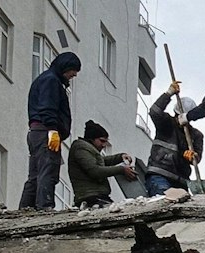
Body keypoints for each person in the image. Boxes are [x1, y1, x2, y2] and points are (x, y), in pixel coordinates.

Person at [19, 51, 82, 210]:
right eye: (72, 71)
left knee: (35, 174)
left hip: (37, 132)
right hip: (46, 132)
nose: (72, 75)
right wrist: (53, 130)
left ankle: (26, 209)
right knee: (48, 171)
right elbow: (48, 108)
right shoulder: (51, 81)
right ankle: (44, 207)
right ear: (65, 67)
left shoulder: (45, 79)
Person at [144, 84, 205, 197]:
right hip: (160, 174)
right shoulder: (166, 123)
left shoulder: (196, 135)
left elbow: (197, 158)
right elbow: (154, 111)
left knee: (180, 210)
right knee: (164, 202)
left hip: (181, 180)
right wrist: (168, 94)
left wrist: (193, 156)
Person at [67, 121, 137, 209]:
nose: (104, 145)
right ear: (92, 138)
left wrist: (120, 157)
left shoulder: (87, 149)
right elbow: (95, 170)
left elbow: (101, 161)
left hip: (95, 197)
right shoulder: (81, 148)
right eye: (102, 141)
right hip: (90, 198)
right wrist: (121, 169)